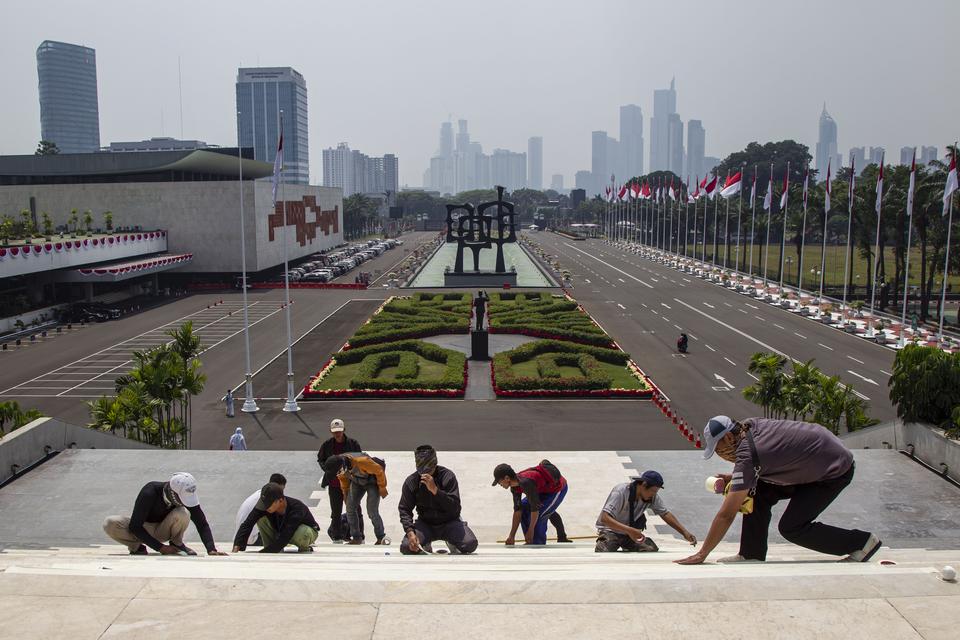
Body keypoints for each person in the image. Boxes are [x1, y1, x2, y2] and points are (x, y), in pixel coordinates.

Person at [676, 416, 881, 565]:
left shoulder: (749, 457)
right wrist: (736, 478)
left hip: (833, 470)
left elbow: (726, 514)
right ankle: (751, 553)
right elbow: (774, 452)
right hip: (817, 455)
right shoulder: (750, 425)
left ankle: (861, 542)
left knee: (792, 527)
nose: (720, 454)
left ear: (729, 437)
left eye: (718, 448)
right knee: (758, 492)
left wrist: (703, 553)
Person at [103, 472, 227, 556]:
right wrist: (161, 548)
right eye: (181, 498)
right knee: (110, 523)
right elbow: (135, 526)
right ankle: (137, 548)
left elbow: (202, 523)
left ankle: (177, 544)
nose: (184, 501)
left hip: (163, 530)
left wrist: (211, 549)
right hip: (143, 529)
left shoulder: (186, 495)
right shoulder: (149, 492)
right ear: (172, 492)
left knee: (183, 512)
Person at [398, 445, 478, 555]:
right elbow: (404, 509)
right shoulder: (412, 481)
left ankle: (452, 541)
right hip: (425, 524)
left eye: (429, 470)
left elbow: (455, 508)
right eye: (422, 471)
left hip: (449, 522)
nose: (425, 473)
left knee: (470, 544)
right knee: (407, 547)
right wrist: (410, 532)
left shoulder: (447, 477)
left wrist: (436, 491)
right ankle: (425, 543)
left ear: (435, 464)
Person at [595, 470, 697, 552]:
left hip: (631, 533)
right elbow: (605, 518)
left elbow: (665, 513)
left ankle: (626, 544)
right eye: (652, 491)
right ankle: (609, 540)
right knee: (605, 549)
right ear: (643, 485)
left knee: (650, 548)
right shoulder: (620, 492)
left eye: (656, 492)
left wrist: (684, 532)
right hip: (611, 530)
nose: (654, 494)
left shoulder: (651, 497)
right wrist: (629, 530)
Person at [492, 460, 568, 546]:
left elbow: (535, 509)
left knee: (540, 515)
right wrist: (511, 536)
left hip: (556, 490)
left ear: (506, 478)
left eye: (499, 481)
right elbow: (518, 511)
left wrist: (530, 530)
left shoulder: (526, 483)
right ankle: (531, 541)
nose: (499, 484)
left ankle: (538, 544)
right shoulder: (514, 487)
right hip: (541, 490)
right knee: (525, 509)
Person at [232, 482, 320, 553]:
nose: (266, 508)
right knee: (261, 519)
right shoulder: (265, 506)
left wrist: (264, 552)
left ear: (280, 500)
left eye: (269, 505)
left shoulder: (297, 508)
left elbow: (287, 534)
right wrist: (237, 545)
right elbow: (248, 523)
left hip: (305, 531)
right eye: (264, 504)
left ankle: (304, 548)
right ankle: (270, 546)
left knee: (303, 532)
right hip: (282, 530)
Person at [327, 451, 390, 545]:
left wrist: (382, 487)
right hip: (357, 481)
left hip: (372, 481)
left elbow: (379, 470)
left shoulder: (362, 461)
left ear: (343, 464)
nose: (338, 473)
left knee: (372, 511)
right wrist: (346, 496)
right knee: (350, 509)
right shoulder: (339, 467)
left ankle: (381, 537)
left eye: (338, 471)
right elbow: (344, 483)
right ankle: (356, 538)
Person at [317, 418, 363, 542]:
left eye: (339, 431)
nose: (337, 434)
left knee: (355, 509)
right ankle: (337, 537)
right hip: (334, 484)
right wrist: (328, 470)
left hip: (350, 484)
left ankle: (360, 535)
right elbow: (320, 459)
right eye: (335, 431)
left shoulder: (353, 443)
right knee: (335, 512)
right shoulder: (327, 445)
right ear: (331, 432)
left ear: (344, 430)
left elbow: (360, 459)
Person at [235, 473, 286, 547]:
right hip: (252, 538)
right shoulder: (267, 499)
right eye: (281, 490)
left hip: (242, 536)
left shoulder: (262, 494)